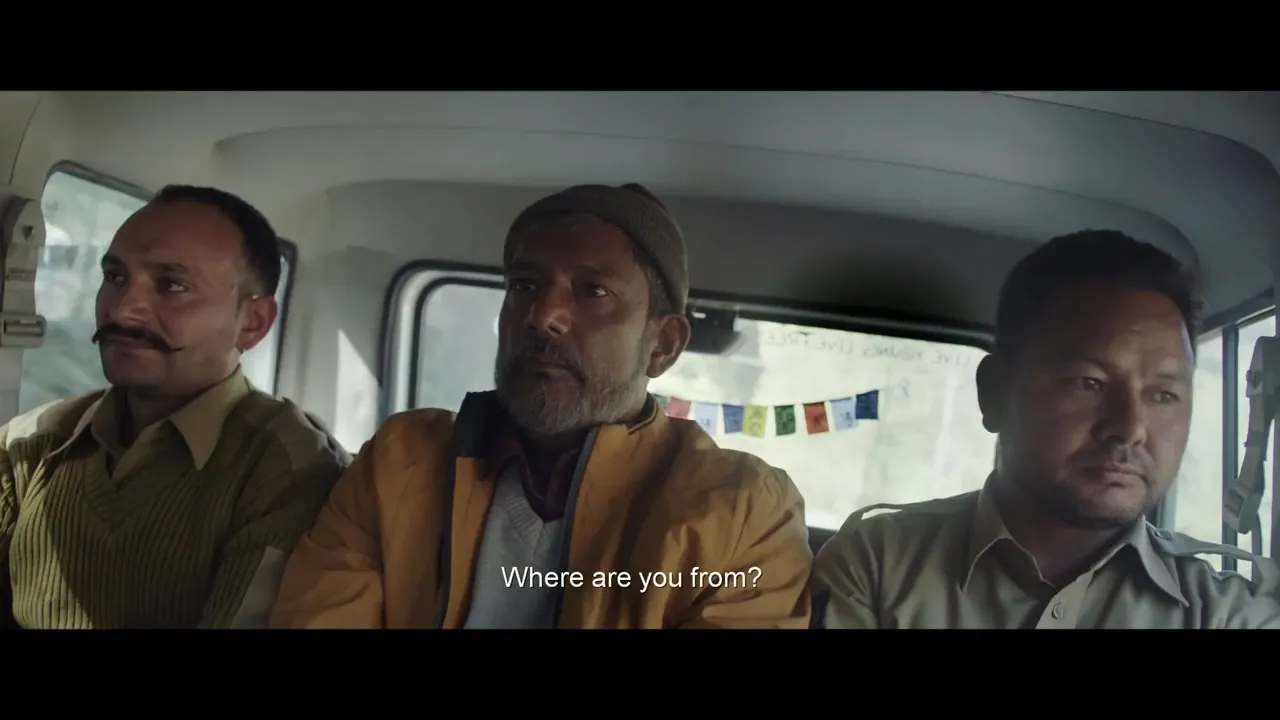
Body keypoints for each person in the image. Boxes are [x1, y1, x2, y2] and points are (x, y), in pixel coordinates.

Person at [270, 183, 813, 628]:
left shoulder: (743, 512)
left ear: (663, 345)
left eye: (592, 292)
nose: (541, 315)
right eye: (525, 285)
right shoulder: (399, 460)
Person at [812, 230, 1280, 629]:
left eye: (1163, 395)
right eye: (1090, 383)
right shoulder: (880, 563)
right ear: (995, 393)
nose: (1130, 428)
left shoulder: (1226, 612)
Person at [0, 185, 350, 628]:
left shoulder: (287, 472)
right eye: (115, 277)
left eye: (172, 285)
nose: (123, 311)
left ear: (253, 322)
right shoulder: (32, 443)